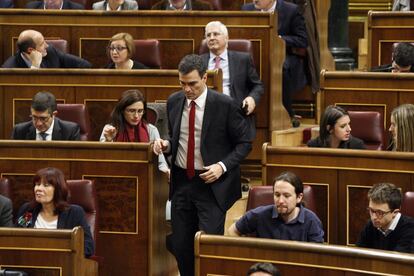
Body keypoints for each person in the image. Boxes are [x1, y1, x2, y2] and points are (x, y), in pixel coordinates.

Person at [153, 54, 251, 276]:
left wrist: (222, 166)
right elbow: (176, 138)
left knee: (207, 246)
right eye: (182, 84)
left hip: (212, 186)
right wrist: (166, 145)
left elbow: (245, 143)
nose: (187, 89)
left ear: (205, 78)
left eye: (192, 84)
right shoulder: (174, 101)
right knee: (181, 246)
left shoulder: (225, 105)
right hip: (182, 183)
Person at [242, 0, 308, 127]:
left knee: (280, 67)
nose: (255, 0)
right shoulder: (247, 9)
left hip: (284, 55)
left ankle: (287, 112)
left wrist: (278, 39)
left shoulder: (291, 10)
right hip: (255, 53)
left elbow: (302, 40)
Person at [200, 21, 264, 141]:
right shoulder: (198, 62)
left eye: (216, 34)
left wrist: (251, 99)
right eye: (208, 35)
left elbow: (257, 86)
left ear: (226, 38)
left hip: (234, 111)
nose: (211, 38)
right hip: (206, 112)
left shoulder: (242, 59)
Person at [15, 167, 94, 257]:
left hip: (61, 265)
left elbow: (88, 247)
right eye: (37, 184)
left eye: (46, 185)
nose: (38, 189)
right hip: (29, 263)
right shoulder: (28, 210)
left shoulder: (74, 213)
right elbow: (14, 240)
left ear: (58, 189)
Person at [228, 171, 324, 242]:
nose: (280, 201)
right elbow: (232, 231)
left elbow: (317, 256)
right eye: (277, 195)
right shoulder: (259, 215)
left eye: (286, 196)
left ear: (299, 197)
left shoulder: (312, 221)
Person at [100, 89, 169, 174]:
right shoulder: (110, 130)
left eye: (140, 111)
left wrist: (167, 172)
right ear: (122, 110)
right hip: (116, 175)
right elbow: (103, 162)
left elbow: (161, 163)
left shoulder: (151, 130)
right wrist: (109, 141)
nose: (136, 116)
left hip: (144, 175)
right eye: (131, 111)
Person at [356, 183, 414, 253]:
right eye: (371, 210)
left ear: (395, 212)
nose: (373, 217)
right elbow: (359, 254)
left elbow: (398, 262)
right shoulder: (370, 225)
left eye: (380, 213)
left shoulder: (410, 229)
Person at [2, 30, 91, 69]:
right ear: (30, 50)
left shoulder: (50, 52)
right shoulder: (10, 68)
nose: (47, 45)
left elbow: (85, 64)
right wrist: (35, 67)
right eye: (41, 44)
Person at [11, 91, 80, 141]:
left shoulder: (70, 131)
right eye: (34, 117)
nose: (38, 123)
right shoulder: (19, 131)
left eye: (43, 118)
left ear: (54, 114)